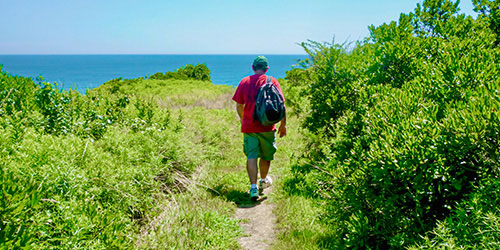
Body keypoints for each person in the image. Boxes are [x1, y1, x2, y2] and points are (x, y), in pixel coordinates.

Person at [232, 56, 287, 201]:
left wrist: (245, 119)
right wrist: (283, 124)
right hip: (268, 126)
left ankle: (253, 187)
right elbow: (281, 105)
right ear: (267, 68)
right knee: (266, 156)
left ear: (253, 67)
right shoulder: (273, 81)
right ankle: (263, 180)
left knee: (251, 156)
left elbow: (239, 105)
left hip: (249, 128)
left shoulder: (244, 82)